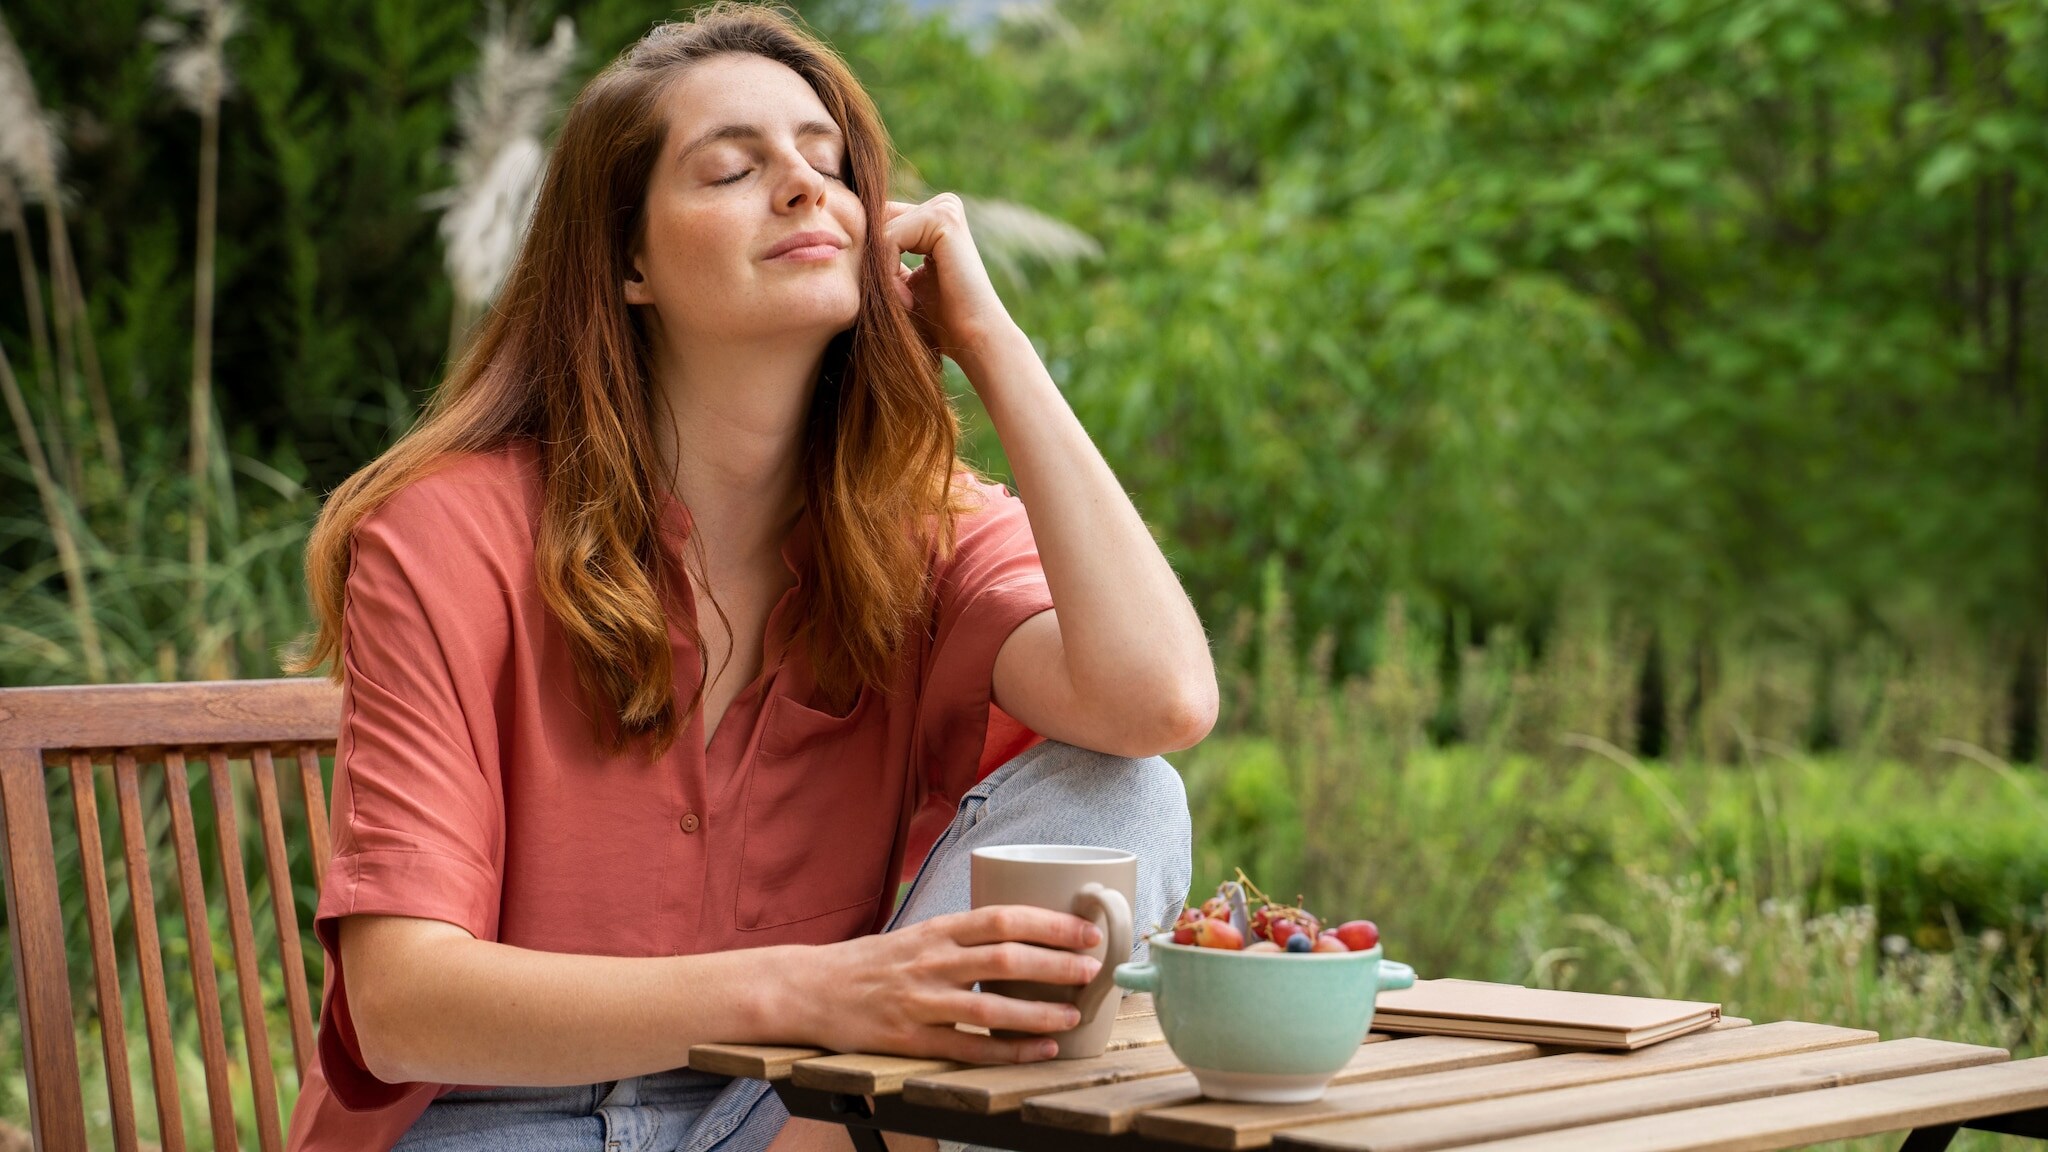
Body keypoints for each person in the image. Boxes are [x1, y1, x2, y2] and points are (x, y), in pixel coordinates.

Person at [280, 4, 1212, 1150]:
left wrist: (991, 342)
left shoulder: (917, 532)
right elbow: (399, 1008)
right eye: (731, 169)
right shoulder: (443, 537)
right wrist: (823, 993)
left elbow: (1157, 700)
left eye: (826, 162)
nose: (799, 187)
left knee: (1125, 791)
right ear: (627, 260)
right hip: (502, 1123)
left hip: (794, 1123)